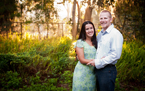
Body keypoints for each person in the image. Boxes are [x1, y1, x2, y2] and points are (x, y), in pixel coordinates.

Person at [87, 10, 123, 91]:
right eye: (101, 18)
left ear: (111, 19)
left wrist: (99, 61)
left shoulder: (115, 34)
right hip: (98, 70)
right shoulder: (100, 34)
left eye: (105, 18)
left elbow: (116, 55)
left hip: (107, 71)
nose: (103, 20)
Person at [72, 21, 97, 91]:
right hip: (82, 73)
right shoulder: (80, 42)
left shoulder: (96, 41)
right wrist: (97, 62)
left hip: (93, 73)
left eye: (91, 28)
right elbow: (82, 60)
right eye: (87, 29)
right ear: (84, 31)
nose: (90, 30)